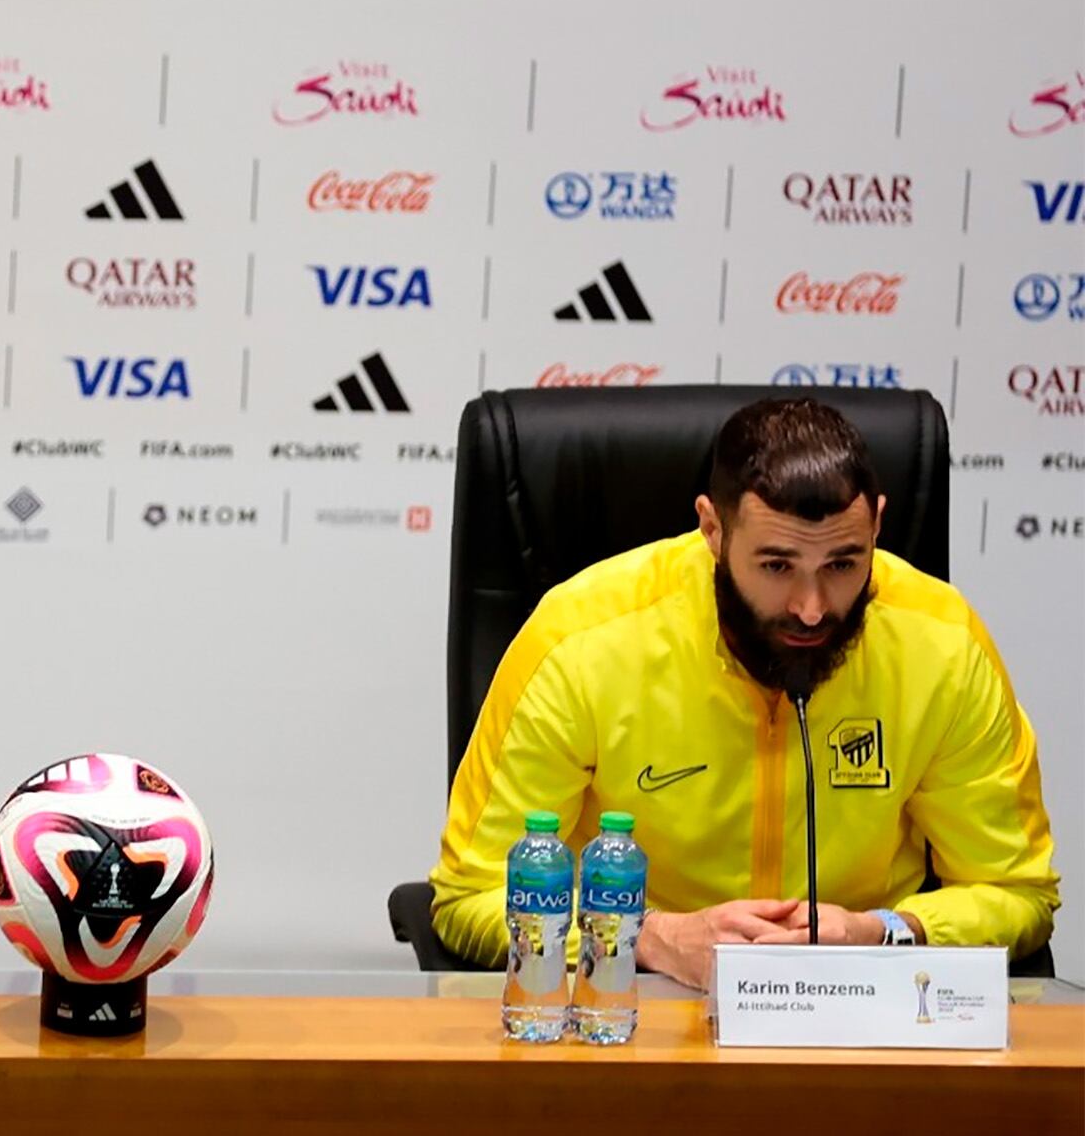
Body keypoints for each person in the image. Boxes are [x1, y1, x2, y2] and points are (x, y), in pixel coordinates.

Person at [430, 398, 1058, 987]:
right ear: (712, 529)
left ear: (877, 528)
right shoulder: (581, 640)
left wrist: (886, 931)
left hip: (856, 1014)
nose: (812, 610)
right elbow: (473, 894)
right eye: (777, 565)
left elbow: (1016, 892)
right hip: (633, 1008)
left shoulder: (942, 645)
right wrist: (648, 937)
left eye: (843, 564)